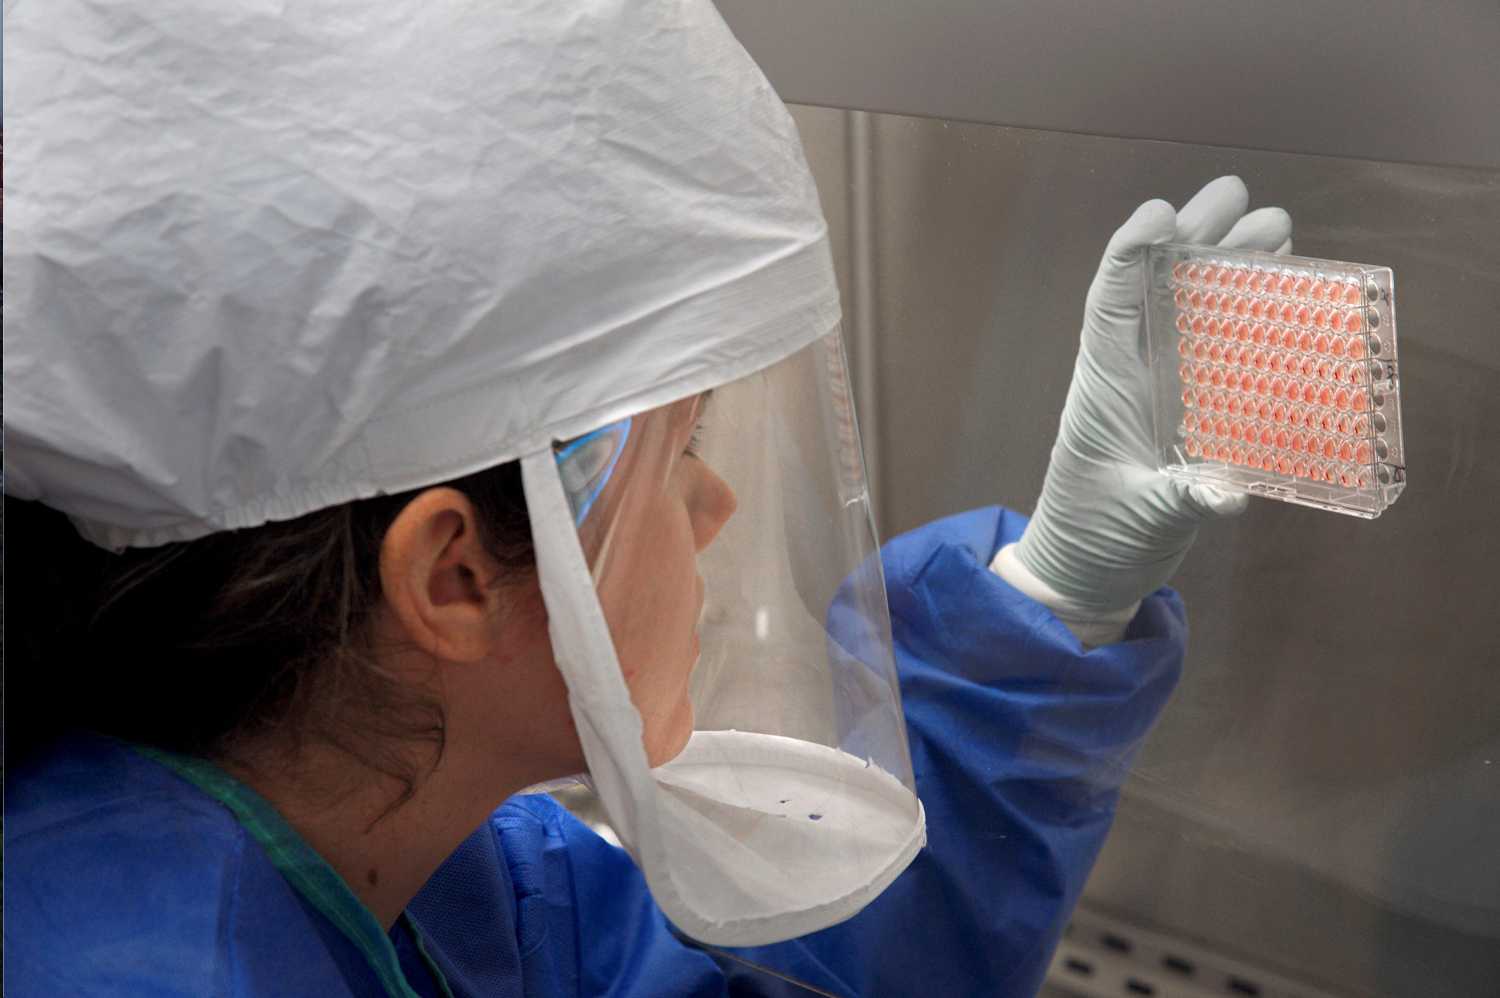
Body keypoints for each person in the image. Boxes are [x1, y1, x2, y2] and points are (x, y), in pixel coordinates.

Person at [2, 2, 1293, 995]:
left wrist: (1055, 595)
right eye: (681, 451)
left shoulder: (406, 867)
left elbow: (749, 971)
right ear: (453, 576)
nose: (718, 505)